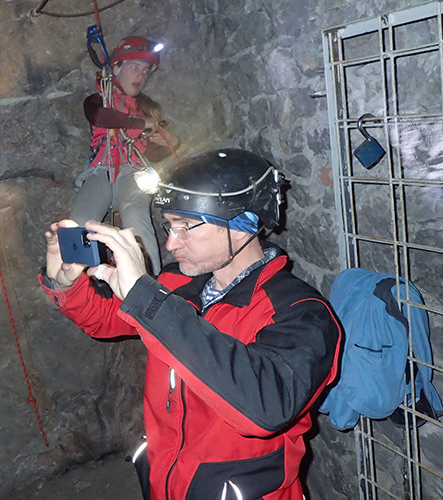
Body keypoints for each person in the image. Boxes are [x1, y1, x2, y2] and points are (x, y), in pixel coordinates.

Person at [40, 148, 342, 499]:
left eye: (185, 227)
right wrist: (66, 282)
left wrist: (148, 299)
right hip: (167, 482)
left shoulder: (301, 313)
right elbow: (106, 320)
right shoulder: (177, 284)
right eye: (169, 225)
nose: (170, 243)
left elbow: (265, 407)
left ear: (241, 224)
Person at [70, 35, 180, 276]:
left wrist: (169, 143)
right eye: (134, 67)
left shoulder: (148, 109)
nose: (140, 76)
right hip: (101, 170)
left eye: (145, 71)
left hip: (133, 171)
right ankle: (75, 283)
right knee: (78, 222)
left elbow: (149, 153)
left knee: (136, 220)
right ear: (116, 68)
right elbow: (100, 117)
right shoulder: (99, 100)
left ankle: (149, 285)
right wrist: (142, 123)